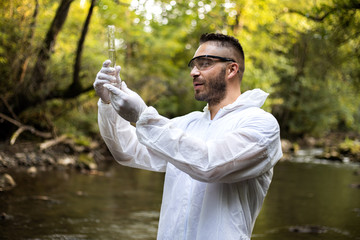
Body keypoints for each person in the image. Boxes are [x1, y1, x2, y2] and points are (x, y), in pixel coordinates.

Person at [93, 33, 282, 240]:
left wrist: (143, 116)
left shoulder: (262, 125)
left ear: (231, 69)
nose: (193, 72)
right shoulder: (186, 124)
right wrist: (108, 103)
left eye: (204, 64)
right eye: (193, 65)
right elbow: (127, 151)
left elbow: (210, 164)